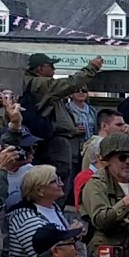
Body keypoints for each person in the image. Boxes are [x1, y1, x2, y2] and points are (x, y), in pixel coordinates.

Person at [22, 53, 102, 183]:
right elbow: (70, 83)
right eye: (51, 66)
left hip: (49, 140)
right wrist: (91, 68)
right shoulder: (40, 84)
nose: (54, 69)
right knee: (59, 180)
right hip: (50, 142)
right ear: (40, 69)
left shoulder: (35, 83)